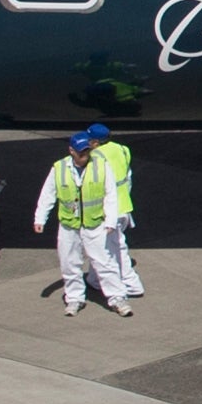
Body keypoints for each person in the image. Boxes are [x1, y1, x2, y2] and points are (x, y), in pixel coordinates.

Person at [32, 125, 140, 316]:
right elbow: (48, 194)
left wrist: (109, 220)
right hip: (69, 225)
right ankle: (74, 299)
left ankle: (117, 298)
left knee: (104, 262)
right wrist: (40, 217)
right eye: (81, 152)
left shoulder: (100, 166)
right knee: (69, 263)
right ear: (71, 151)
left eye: (87, 151)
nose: (84, 156)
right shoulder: (59, 168)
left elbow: (110, 194)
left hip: (95, 223)